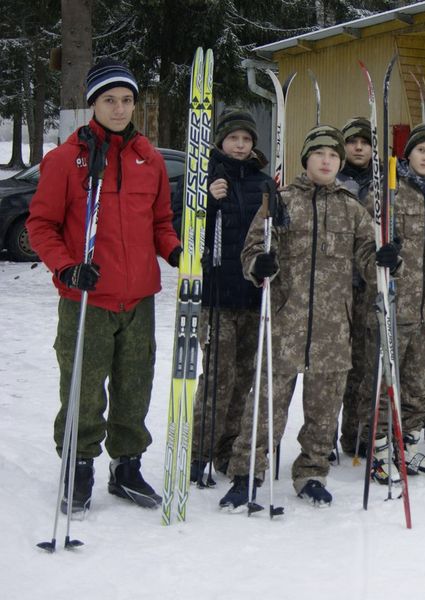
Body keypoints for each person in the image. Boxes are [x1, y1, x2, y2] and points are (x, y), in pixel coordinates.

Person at [27, 59, 182, 512]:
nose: (119, 109)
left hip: (139, 298)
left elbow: (161, 223)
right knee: (83, 387)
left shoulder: (148, 160)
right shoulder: (64, 160)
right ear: (93, 103)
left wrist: (173, 251)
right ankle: (78, 466)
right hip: (87, 297)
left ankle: (127, 467)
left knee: (136, 385)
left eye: (127, 100)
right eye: (110, 100)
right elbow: (41, 226)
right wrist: (67, 267)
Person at [219, 125, 382, 508]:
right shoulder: (280, 201)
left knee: (324, 412)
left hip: (332, 329)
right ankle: (246, 473)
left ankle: (311, 472)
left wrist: (385, 260)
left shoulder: (352, 209)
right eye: (319, 154)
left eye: (333, 156)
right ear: (306, 159)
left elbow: (369, 262)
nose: (327, 161)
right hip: (284, 325)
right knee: (264, 406)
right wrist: (261, 263)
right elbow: (251, 253)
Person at [175, 108, 271, 482]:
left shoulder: (264, 184)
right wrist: (208, 200)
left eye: (246, 140)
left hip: (251, 296)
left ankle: (228, 447)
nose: (241, 145)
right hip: (216, 295)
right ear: (221, 142)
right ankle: (199, 449)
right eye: (234, 139)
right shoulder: (204, 178)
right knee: (217, 376)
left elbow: (273, 232)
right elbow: (182, 230)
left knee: (244, 377)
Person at [360, 123, 425, 484]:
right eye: (422, 152)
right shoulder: (388, 191)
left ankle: (408, 446)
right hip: (395, 303)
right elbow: (366, 243)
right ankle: (381, 448)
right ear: (409, 154)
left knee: (418, 384)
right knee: (388, 381)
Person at [336, 116, 374, 458]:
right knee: (331, 366)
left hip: (369, 287)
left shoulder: (384, 185)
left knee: (361, 365)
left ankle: (355, 434)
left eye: (364, 141)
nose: (359, 147)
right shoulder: (333, 179)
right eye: (352, 141)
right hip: (335, 287)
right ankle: (323, 434)